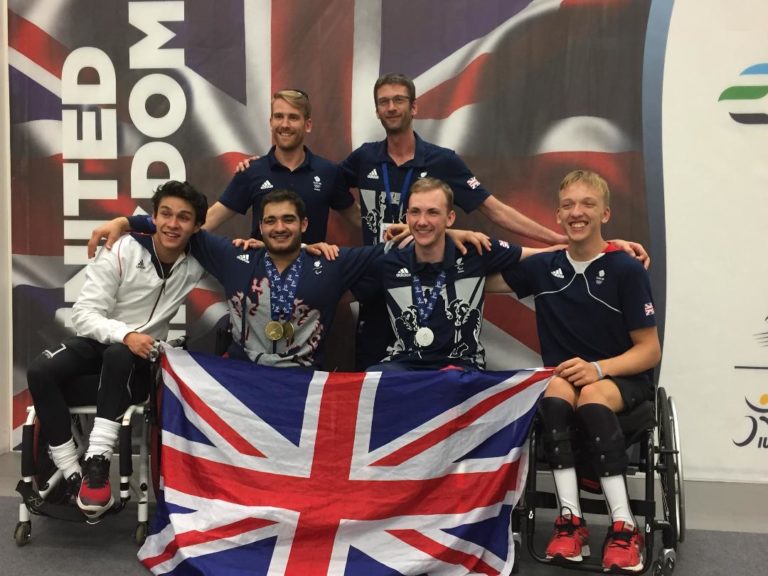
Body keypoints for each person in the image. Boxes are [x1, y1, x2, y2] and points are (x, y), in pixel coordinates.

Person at [494, 170, 661, 572]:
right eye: (568, 205)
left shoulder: (626, 269)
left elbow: (649, 350)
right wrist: (450, 238)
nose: (577, 212)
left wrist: (599, 369)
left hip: (620, 380)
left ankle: (624, 526)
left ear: (605, 212)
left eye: (587, 204)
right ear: (556, 215)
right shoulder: (546, 266)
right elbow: (479, 282)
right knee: (553, 394)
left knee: (588, 395)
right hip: (567, 380)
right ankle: (571, 522)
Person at [26, 180, 208, 519]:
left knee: (119, 354)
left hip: (138, 366)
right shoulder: (122, 249)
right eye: (165, 214)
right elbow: (84, 314)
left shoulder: (196, 263)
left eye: (183, 218)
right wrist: (125, 334)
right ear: (152, 217)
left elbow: (241, 259)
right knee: (40, 371)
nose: (172, 223)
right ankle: (73, 475)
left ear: (196, 226)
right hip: (103, 342)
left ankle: (98, 459)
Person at [357, 177, 544, 371]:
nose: (422, 221)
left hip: (462, 366)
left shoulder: (476, 250)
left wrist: (570, 244)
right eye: (415, 212)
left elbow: (539, 255)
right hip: (405, 364)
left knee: (452, 382)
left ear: (450, 218)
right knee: (373, 378)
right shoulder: (389, 260)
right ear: (407, 217)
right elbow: (340, 274)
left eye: (432, 213)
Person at [204, 89, 360, 243]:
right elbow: (211, 219)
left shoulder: (328, 172)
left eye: (293, 117)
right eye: (279, 116)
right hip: (261, 267)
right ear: (271, 122)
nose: (285, 124)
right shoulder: (251, 171)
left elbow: (359, 219)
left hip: (312, 267)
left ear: (308, 125)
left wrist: (384, 233)